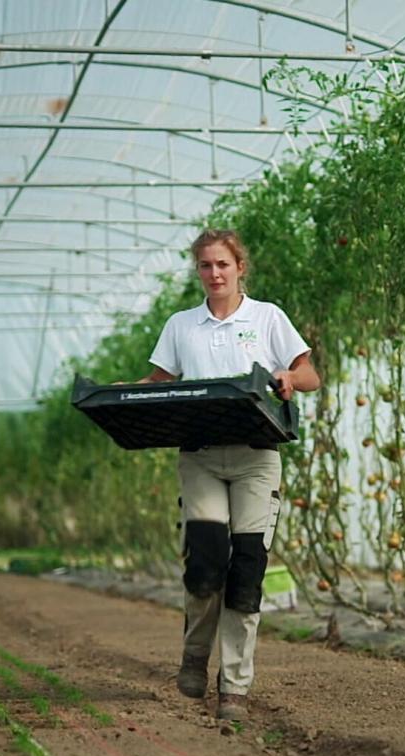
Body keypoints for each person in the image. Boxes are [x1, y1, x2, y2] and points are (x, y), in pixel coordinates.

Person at [137, 229, 320, 722]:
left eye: (222, 264)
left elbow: (309, 373)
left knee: (246, 571)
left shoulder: (266, 317)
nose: (214, 274)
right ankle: (195, 657)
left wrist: (288, 377)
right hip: (200, 457)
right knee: (206, 562)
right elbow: (157, 383)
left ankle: (234, 687)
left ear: (240, 267)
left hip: (256, 458)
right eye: (204, 266)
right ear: (197, 270)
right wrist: (111, 396)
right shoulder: (182, 325)